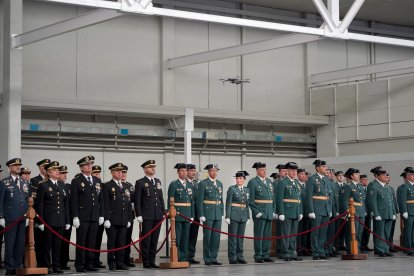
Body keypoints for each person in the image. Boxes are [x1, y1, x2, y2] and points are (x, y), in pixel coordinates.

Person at [70, 155, 104, 272]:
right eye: (87, 164)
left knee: (91, 241)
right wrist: (75, 216)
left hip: (94, 216)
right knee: (82, 241)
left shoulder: (97, 181)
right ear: (81, 167)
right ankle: (80, 264)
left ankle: (90, 264)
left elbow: (100, 200)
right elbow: (74, 201)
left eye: (91, 164)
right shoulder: (76, 181)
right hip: (82, 216)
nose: (90, 166)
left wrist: (101, 215)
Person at [37, 161, 70, 274]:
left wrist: (67, 220)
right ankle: (48, 265)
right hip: (48, 220)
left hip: (60, 219)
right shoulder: (43, 185)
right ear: (49, 173)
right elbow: (40, 204)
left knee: (57, 245)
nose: (58, 172)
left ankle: (57, 265)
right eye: (55, 170)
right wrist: (40, 221)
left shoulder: (62, 185)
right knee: (47, 245)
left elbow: (65, 204)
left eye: (58, 170)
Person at [0, 158, 30, 275]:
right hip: (10, 219)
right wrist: (1, 216)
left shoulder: (25, 182)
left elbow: (27, 200)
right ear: (9, 168)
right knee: (10, 244)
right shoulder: (4, 182)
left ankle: (18, 265)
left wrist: (27, 216)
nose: (18, 167)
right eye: (15, 165)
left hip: (22, 218)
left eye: (19, 165)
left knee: (20, 244)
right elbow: (0, 201)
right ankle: (9, 267)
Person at [134, 160, 165, 269]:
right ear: (145, 169)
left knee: (154, 240)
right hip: (147, 215)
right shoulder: (140, 182)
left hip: (157, 215)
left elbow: (160, 198)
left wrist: (163, 211)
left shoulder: (157, 181)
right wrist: (139, 214)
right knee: (146, 240)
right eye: (151, 167)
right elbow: (137, 200)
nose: (153, 169)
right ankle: (146, 262)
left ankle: (152, 261)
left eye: (154, 167)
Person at [103, 163, 131, 271]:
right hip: (112, 220)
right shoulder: (107, 185)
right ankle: (112, 263)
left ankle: (120, 262)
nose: (120, 173)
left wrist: (129, 218)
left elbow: (128, 204)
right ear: (112, 172)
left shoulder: (125, 186)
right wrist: (106, 219)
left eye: (121, 171)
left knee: (122, 242)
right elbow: (105, 203)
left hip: (123, 219)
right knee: (112, 242)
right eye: (117, 171)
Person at [247, 162, 276, 263]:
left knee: (267, 235)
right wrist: (256, 212)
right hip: (260, 212)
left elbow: (273, 198)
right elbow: (250, 200)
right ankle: (258, 255)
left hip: (268, 211)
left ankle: (265, 254)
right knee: (259, 235)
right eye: (262, 170)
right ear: (257, 171)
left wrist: (273, 211)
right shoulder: (253, 182)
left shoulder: (268, 182)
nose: (264, 171)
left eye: (265, 170)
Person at [197, 164, 224, 266]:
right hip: (207, 213)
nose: (214, 172)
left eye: (216, 170)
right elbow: (199, 200)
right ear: (208, 172)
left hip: (217, 213)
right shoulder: (203, 184)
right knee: (207, 237)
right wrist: (201, 214)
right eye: (212, 170)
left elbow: (221, 200)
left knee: (216, 237)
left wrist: (222, 212)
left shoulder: (220, 184)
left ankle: (214, 257)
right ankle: (207, 258)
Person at [305, 159, 332, 260]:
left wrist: (329, 209)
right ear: (317, 168)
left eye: (326, 167)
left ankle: (321, 250)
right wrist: (311, 210)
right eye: (324, 167)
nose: (326, 168)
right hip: (316, 208)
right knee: (315, 232)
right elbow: (309, 196)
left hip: (325, 208)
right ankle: (315, 252)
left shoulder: (326, 179)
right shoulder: (312, 179)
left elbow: (329, 195)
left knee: (323, 232)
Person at [276, 162, 303, 262]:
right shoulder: (283, 183)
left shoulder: (296, 183)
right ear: (287, 171)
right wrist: (281, 213)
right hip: (286, 211)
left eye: (295, 170)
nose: (294, 172)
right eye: (292, 170)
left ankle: (293, 252)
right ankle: (286, 253)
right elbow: (279, 199)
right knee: (285, 234)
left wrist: (300, 211)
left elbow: (299, 199)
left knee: (293, 234)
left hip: (295, 211)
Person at [167, 163, 194, 262]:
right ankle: (176, 257)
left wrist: (192, 215)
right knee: (177, 237)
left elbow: (192, 201)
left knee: (185, 238)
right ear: (178, 172)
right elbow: (170, 200)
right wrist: (170, 214)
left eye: (186, 170)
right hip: (177, 214)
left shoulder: (190, 184)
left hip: (187, 214)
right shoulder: (174, 184)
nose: (184, 172)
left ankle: (183, 258)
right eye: (182, 171)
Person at [367, 167, 394, 257]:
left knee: (387, 232)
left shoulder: (386, 186)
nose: (386, 176)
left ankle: (385, 249)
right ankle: (379, 249)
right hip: (380, 213)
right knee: (379, 232)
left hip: (388, 213)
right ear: (378, 176)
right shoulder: (374, 186)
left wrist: (393, 212)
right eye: (383, 175)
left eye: (386, 175)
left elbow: (391, 201)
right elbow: (372, 201)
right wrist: (376, 213)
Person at [338, 168, 366, 254]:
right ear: (351, 176)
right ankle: (351, 249)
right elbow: (344, 200)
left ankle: (357, 248)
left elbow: (362, 200)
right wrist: (347, 212)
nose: (358, 176)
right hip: (353, 211)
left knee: (359, 232)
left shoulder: (360, 186)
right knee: (351, 232)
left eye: (358, 174)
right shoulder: (348, 186)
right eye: (356, 174)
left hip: (360, 211)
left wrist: (364, 210)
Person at [225, 171, 250, 264]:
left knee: (240, 238)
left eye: (240, 178)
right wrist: (228, 216)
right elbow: (228, 203)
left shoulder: (247, 190)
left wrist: (248, 217)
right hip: (234, 215)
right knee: (233, 238)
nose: (238, 180)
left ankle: (240, 256)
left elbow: (247, 204)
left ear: (244, 179)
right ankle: (232, 257)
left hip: (243, 216)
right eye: (237, 178)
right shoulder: (232, 189)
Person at [30, 158, 50, 268]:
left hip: (50, 216)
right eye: (44, 167)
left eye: (47, 167)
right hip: (39, 215)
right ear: (39, 167)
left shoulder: (51, 180)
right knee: (40, 241)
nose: (45, 169)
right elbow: (34, 200)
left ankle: (48, 263)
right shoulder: (35, 181)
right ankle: (41, 263)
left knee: (48, 242)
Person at [57, 166, 72, 270]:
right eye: (62, 173)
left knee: (66, 241)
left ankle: (64, 261)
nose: (65, 175)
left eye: (65, 173)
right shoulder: (56, 185)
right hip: (58, 217)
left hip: (68, 217)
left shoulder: (68, 186)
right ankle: (56, 262)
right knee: (57, 242)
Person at [121, 165, 136, 267]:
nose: (123, 175)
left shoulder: (129, 186)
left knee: (127, 239)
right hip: (118, 216)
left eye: (125, 173)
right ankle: (118, 260)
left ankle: (126, 260)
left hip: (129, 216)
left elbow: (134, 201)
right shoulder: (113, 185)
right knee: (118, 240)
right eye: (121, 172)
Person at [91, 165, 105, 269]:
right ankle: (90, 260)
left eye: (98, 173)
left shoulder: (102, 185)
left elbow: (104, 202)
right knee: (92, 239)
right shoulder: (91, 184)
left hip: (99, 216)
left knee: (98, 239)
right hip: (91, 215)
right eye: (95, 173)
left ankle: (96, 259)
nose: (97, 175)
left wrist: (103, 215)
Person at [397, 167, 414, 256]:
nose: (413, 176)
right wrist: (404, 211)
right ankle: (408, 248)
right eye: (411, 175)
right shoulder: (405, 186)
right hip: (409, 211)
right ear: (407, 176)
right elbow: (402, 200)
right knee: (408, 230)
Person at [187, 164, 201, 264]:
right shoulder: (184, 183)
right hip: (186, 213)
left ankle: (191, 255)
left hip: (195, 213)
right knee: (185, 236)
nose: (193, 172)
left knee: (193, 235)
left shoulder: (196, 184)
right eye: (191, 170)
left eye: (194, 170)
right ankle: (182, 255)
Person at [296, 168, 310, 256]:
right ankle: (298, 248)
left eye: (305, 174)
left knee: (306, 231)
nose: (303, 176)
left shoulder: (308, 186)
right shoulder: (296, 185)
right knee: (299, 231)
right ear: (297, 175)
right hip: (299, 211)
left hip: (307, 212)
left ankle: (304, 248)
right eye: (301, 174)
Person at [360, 174, 373, 252]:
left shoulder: (368, 189)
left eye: (366, 179)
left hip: (368, 212)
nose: (366, 181)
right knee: (361, 230)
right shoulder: (359, 188)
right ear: (360, 181)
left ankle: (365, 245)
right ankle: (361, 245)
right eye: (364, 179)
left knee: (367, 230)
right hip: (361, 212)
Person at [385, 174, 398, 252]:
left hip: (392, 211)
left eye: (389, 177)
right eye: (387, 177)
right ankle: (386, 246)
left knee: (391, 230)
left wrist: (396, 211)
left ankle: (390, 245)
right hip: (386, 212)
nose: (388, 179)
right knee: (386, 231)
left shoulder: (391, 188)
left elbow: (394, 201)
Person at [334, 171, 346, 252]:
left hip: (344, 210)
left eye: (342, 176)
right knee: (337, 229)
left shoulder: (346, 186)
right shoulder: (334, 186)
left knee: (344, 228)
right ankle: (336, 245)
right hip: (337, 210)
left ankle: (342, 243)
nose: (341, 177)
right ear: (336, 177)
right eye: (339, 176)